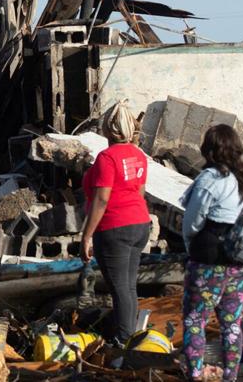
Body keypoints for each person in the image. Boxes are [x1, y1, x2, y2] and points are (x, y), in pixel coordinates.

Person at [179, 124, 243, 382]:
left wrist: (190, 247)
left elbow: (192, 222)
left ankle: (195, 373)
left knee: (195, 319)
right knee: (232, 323)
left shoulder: (211, 179)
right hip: (241, 263)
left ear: (209, 149)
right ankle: (230, 377)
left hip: (209, 261)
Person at [80, 101, 151, 346]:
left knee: (120, 289)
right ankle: (129, 338)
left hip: (114, 228)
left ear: (107, 129)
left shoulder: (107, 158)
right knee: (129, 287)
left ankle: (123, 341)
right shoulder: (139, 156)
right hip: (140, 224)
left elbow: (102, 199)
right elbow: (140, 192)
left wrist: (86, 235)